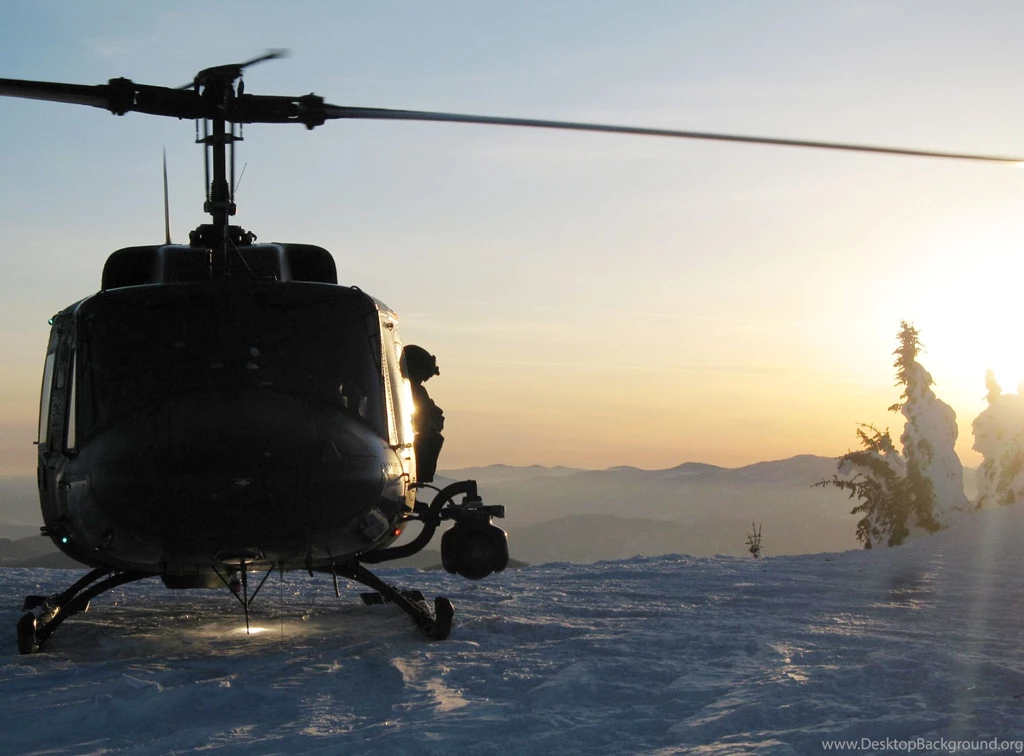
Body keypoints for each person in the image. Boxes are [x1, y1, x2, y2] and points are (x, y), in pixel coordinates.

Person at [403, 345, 444, 482]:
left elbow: (432, 414)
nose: (425, 379)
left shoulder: (416, 391)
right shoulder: (413, 391)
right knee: (432, 439)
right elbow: (429, 417)